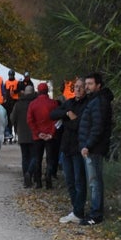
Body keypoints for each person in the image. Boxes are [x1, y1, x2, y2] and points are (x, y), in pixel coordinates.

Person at [50, 78, 88, 223]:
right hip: (66, 147)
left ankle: (79, 211)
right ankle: (76, 209)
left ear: (85, 89)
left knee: (79, 181)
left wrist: (68, 121)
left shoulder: (87, 104)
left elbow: (79, 125)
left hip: (78, 147)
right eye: (76, 87)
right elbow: (53, 114)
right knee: (69, 181)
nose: (77, 89)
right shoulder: (70, 103)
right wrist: (67, 115)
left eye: (80, 87)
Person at [78, 72, 114, 226]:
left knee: (95, 182)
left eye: (90, 84)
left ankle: (95, 214)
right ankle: (94, 211)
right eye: (86, 84)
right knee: (94, 181)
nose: (87, 87)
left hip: (94, 148)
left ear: (98, 85)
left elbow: (97, 127)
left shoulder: (98, 102)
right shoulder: (94, 100)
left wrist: (88, 145)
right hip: (92, 147)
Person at [26, 82, 59, 189]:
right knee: (50, 158)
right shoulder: (54, 103)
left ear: (38, 91)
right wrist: (51, 133)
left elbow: (30, 120)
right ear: (47, 91)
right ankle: (48, 177)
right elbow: (57, 120)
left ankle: (38, 182)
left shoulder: (33, 104)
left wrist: (38, 132)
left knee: (37, 158)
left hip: (38, 136)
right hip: (50, 136)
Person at [10, 85, 37, 187]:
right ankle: (30, 173)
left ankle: (26, 178)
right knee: (34, 156)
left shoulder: (18, 104)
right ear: (33, 92)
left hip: (22, 134)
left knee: (25, 157)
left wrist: (16, 128)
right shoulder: (35, 102)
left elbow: (12, 118)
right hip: (34, 134)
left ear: (24, 93)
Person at [4, 69, 19, 139]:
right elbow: (4, 91)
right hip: (8, 101)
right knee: (8, 117)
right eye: (10, 75)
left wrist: (14, 91)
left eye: (12, 75)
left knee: (16, 118)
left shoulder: (17, 82)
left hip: (15, 100)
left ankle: (16, 133)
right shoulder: (6, 82)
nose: (11, 76)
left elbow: (19, 89)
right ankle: (9, 133)